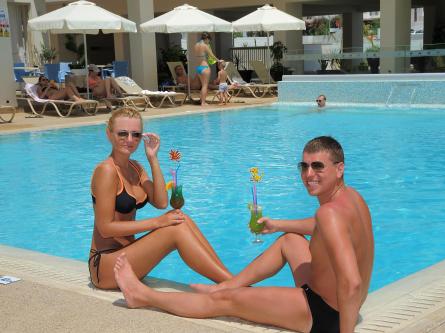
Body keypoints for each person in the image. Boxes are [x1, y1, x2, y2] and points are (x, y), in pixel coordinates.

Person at [113, 136, 375, 333]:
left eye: (318, 167)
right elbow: (330, 229)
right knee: (290, 240)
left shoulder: (328, 213)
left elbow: (350, 283)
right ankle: (228, 283)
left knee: (225, 301)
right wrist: (279, 224)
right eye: (303, 166)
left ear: (339, 168)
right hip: (337, 302)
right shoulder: (352, 199)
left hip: (326, 314)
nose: (308, 175)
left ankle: (142, 296)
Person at [89, 107, 232, 289]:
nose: (130, 140)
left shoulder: (135, 168)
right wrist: (158, 222)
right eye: (122, 134)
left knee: (180, 218)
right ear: (109, 134)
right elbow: (106, 228)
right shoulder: (106, 171)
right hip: (105, 265)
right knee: (174, 229)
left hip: (127, 256)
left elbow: (161, 202)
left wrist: (153, 158)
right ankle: (235, 286)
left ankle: (232, 282)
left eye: (136, 134)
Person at [194, 32, 218, 106]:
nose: (209, 42)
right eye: (209, 40)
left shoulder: (196, 45)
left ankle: (201, 100)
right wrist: (218, 60)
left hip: (198, 67)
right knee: (205, 85)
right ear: (207, 38)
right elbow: (212, 55)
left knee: (202, 85)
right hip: (205, 66)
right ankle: (203, 102)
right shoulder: (205, 46)